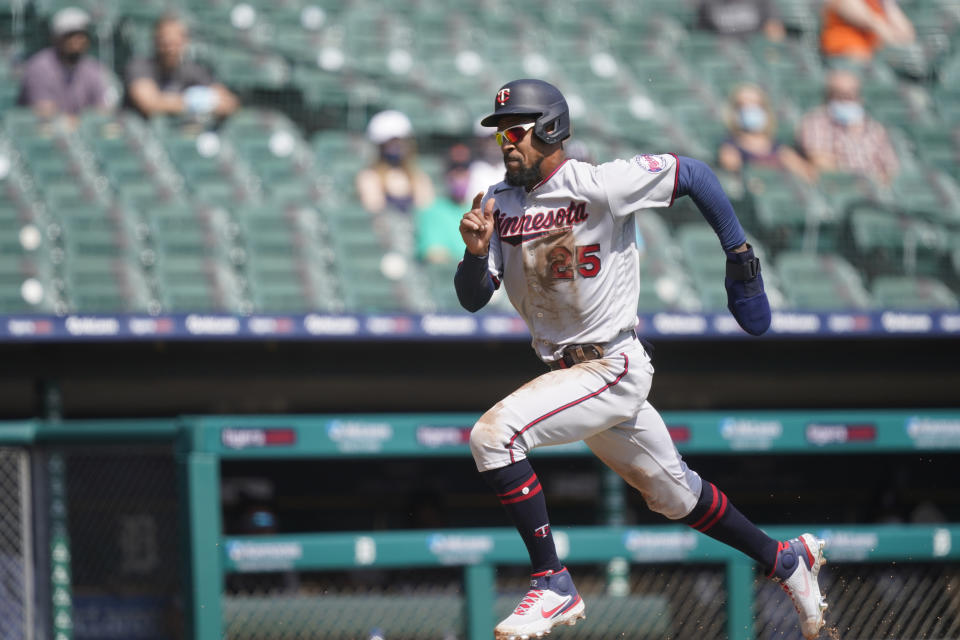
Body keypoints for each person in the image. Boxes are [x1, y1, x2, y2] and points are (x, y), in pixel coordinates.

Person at [455, 78, 827, 640]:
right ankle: (784, 560)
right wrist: (474, 253)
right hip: (568, 373)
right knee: (676, 496)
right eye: (500, 132)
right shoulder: (497, 203)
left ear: (551, 128)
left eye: (517, 129)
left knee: (493, 436)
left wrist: (738, 254)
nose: (506, 141)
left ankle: (553, 581)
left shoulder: (601, 184)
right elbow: (472, 297)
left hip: (612, 364)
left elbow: (695, 173)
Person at [124, 13, 239, 121]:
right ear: (155, 41)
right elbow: (149, 103)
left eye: (174, 42)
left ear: (184, 41)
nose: (169, 47)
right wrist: (192, 102)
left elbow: (228, 101)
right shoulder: (139, 66)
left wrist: (209, 101)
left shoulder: (191, 70)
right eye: (164, 41)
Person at [796, 69, 898, 184]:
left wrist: (878, 183)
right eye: (840, 95)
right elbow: (821, 163)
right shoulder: (815, 122)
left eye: (851, 95)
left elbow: (890, 168)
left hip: (875, 191)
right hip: (839, 187)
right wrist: (860, 182)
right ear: (828, 97)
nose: (846, 99)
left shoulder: (874, 128)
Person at [17, 7, 112, 118]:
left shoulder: (92, 68)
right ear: (56, 38)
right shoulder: (39, 67)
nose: (77, 40)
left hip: (82, 131)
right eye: (70, 35)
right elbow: (45, 113)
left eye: (82, 35)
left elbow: (103, 110)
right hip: (42, 132)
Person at [718, 83, 815, 181]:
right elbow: (733, 172)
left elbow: (806, 173)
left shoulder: (779, 149)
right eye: (743, 105)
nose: (751, 109)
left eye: (756, 104)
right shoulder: (730, 148)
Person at [356, 110, 434, 216]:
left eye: (399, 141)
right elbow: (374, 209)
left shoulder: (418, 177)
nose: (395, 147)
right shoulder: (368, 177)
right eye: (389, 142)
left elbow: (426, 209)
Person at [415, 144, 474, 264]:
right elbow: (434, 254)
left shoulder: (479, 211)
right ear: (445, 174)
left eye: (463, 169)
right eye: (454, 168)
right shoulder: (432, 212)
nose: (459, 175)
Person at [820, 0, 915, 65]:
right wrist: (896, 43)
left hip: (871, 59)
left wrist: (887, 3)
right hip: (844, 58)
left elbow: (907, 35)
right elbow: (870, 22)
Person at [697, 0, 786, 41]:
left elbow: (776, 35)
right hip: (723, 53)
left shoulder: (762, 2)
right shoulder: (708, 4)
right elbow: (703, 38)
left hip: (754, 53)